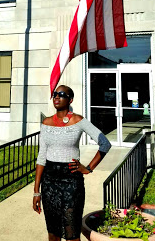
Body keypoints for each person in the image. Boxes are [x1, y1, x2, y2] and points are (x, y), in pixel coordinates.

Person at [33, 84, 111, 241]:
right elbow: (41, 157)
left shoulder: (79, 121)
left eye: (61, 94)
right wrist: (36, 191)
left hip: (71, 182)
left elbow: (105, 143)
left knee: (72, 232)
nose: (56, 97)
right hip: (50, 182)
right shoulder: (46, 123)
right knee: (53, 232)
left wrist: (88, 168)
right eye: (55, 94)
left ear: (70, 100)